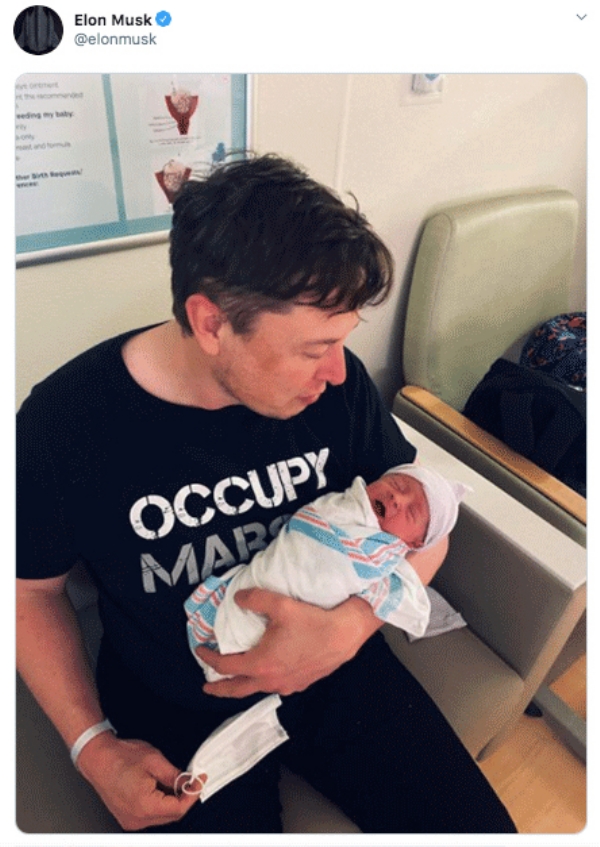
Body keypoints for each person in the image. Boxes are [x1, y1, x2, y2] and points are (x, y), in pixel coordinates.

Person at [17, 153, 516, 833]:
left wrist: (347, 630)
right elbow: (29, 592)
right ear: (212, 323)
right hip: (176, 703)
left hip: (339, 665)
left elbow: (428, 526)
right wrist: (91, 747)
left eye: (342, 343)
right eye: (314, 349)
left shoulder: (337, 390)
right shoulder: (64, 427)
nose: (337, 372)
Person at [186, 464, 470, 683]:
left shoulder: (384, 553)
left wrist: (350, 627)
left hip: (329, 651)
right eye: (396, 484)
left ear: (413, 543)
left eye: (412, 512)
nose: (397, 498)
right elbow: (311, 525)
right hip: (250, 591)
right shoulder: (344, 506)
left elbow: (434, 545)